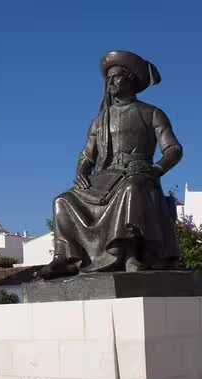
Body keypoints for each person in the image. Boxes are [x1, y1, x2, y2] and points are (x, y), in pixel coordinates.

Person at [40, 51, 182, 280]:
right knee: (63, 200)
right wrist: (82, 172)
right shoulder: (99, 120)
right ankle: (66, 258)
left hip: (138, 174)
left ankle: (130, 255)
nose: (111, 82)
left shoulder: (151, 113)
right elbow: (87, 154)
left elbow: (173, 149)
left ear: (131, 79)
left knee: (131, 188)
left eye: (116, 77)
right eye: (109, 78)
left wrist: (156, 169)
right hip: (104, 177)